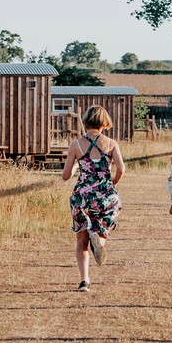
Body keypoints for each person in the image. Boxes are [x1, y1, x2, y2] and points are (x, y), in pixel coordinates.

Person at [62, 105, 125, 292]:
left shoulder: (76, 145)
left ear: (86, 121)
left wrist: (75, 167)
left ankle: (84, 281)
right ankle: (99, 240)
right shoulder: (111, 144)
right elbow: (121, 169)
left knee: (81, 240)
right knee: (101, 230)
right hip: (105, 195)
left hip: (83, 197)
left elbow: (66, 175)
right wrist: (111, 183)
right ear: (104, 122)